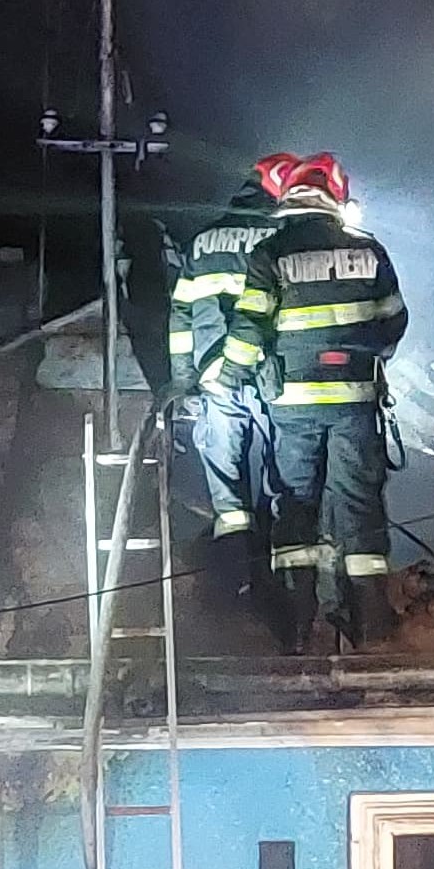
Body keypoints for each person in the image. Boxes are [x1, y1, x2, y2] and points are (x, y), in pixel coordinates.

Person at [215, 153, 408, 650]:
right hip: (355, 403)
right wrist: (364, 355)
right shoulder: (369, 251)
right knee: (359, 503)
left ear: (290, 199)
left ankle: (297, 627)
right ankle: (371, 624)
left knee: (295, 505)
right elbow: (393, 322)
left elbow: (250, 326)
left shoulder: (271, 253)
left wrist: (229, 376)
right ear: (333, 199)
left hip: (294, 406)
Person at [166, 152, 300, 597]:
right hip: (271, 373)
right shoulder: (283, 239)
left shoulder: (203, 240)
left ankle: (234, 581)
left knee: (226, 485)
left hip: (213, 376)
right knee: (282, 469)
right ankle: (281, 580)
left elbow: (181, 317)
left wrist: (184, 378)